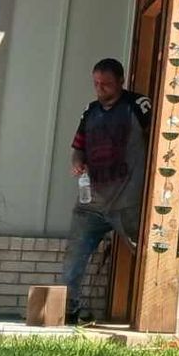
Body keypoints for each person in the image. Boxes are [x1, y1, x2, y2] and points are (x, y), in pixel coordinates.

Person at [57, 58, 151, 323]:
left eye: (106, 84)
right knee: (74, 257)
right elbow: (78, 147)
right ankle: (69, 310)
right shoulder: (90, 111)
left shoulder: (138, 105)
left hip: (128, 200)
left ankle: (148, 310)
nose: (100, 89)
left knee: (147, 254)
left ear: (121, 81)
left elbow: (161, 138)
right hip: (91, 201)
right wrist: (77, 163)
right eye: (96, 83)